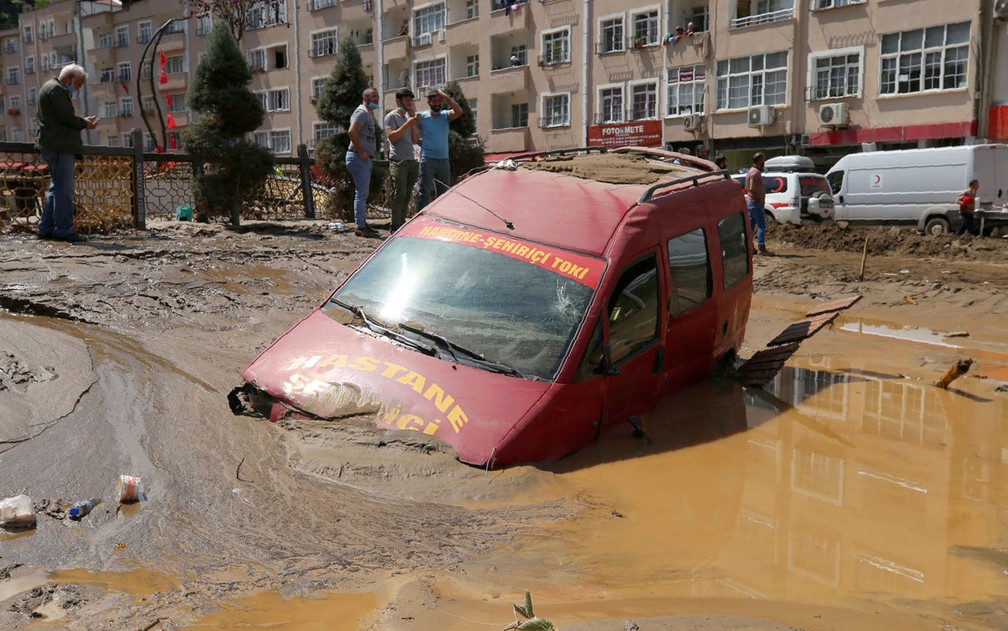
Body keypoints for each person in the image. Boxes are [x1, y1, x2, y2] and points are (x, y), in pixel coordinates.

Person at [36, 63, 97, 242]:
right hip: (60, 146)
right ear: (70, 79)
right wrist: (84, 123)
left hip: (52, 144)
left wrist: (81, 122)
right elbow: (65, 117)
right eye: (78, 84)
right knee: (64, 191)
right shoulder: (56, 90)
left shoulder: (49, 87)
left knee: (57, 188)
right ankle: (63, 230)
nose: (77, 88)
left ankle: (45, 228)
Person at [416, 87, 462, 211]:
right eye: (434, 101)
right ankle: (419, 220)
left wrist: (446, 97)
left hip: (443, 160)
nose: (437, 104)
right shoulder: (421, 117)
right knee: (424, 192)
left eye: (439, 101)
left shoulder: (445, 115)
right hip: (427, 160)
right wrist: (419, 142)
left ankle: (440, 220)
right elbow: (412, 132)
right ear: (428, 102)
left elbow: (458, 111)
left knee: (444, 194)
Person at [346, 87, 381, 238]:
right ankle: (360, 226)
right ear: (365, 98)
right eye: (373, 97)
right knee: (361, 193)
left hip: (362, 158)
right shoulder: (361, 112)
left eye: (377, 96)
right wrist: (361, 151)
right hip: (358, 157)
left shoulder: (368, 113)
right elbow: (352, 132)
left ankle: (362, 222)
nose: (376, 99)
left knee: (363, 193)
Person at [384, 88, 420, 232]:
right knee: (400, 194)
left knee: (407, 195)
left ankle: (402, 223)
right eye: (406, 100)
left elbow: (415, 139)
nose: (409, 103)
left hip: (411, 161)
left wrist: (413, 123)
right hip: (398, 162)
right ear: (398, 101)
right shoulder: (391, 117)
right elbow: (392, 137)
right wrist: (408, 124)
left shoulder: (408, 118)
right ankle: (395, 225)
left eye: (411, 100)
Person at [745, 152, 770, 255]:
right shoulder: (755, 173)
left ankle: (748, 246)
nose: (764, 162)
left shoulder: (750, 171)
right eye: (763, 159)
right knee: (761, 226)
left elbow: (746, 188)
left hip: (750, 202)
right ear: (760, 160)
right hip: (755, 203)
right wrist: (759, 198)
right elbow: (751, 188)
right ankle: (761, 247)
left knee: (750, 226)